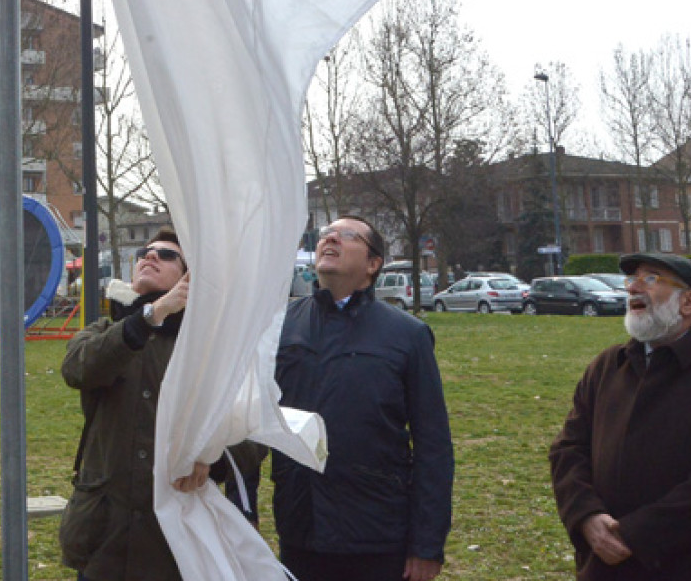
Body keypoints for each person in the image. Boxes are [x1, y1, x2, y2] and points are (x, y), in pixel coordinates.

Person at [549, 252, 691, 580]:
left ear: (689, 302)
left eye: (652, 279)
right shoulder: (606, 368)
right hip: (608, 568)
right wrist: (586, 515)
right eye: (632, 279)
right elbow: (568, 450)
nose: (633, 289)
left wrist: (636, 535)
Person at [59, 228, 256, 581]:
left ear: (189, 277)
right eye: (144, 252)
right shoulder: (104, 331)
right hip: (106, 538)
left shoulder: (212, 349)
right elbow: (78, 369)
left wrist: (211, 458)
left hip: (176, 542)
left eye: (166, 255)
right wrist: (152, 315)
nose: (150, 256)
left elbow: (251, 429)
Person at [273, 215, 453, 581]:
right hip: (299, 527)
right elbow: (252, 415)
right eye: (326, 234)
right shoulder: (282, 325)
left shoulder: (408, 335)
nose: (331, 239)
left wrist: (427, 544)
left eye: (348, 235)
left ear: (373, 264)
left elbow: (433, 445)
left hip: (375, 533)